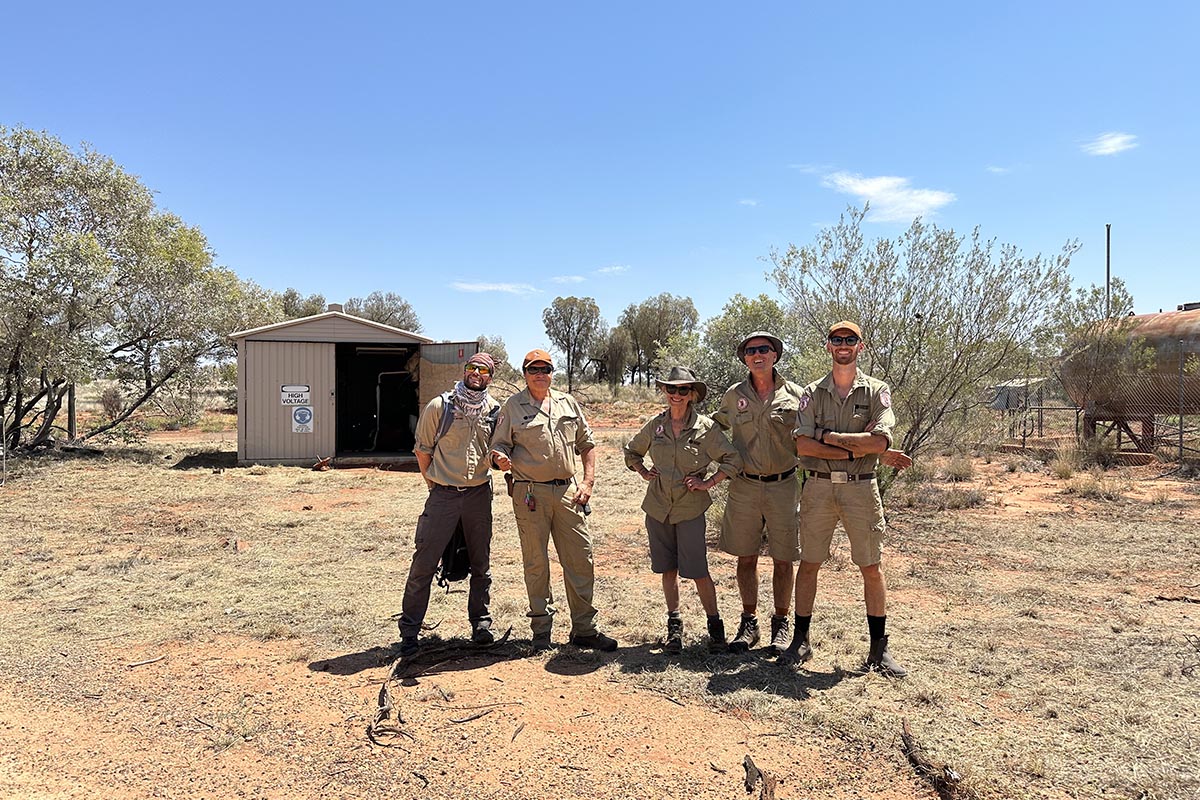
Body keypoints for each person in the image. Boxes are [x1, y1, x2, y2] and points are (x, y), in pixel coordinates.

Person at [784, 320, 909, 676]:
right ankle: (801, 640)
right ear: (828, 346)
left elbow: (881, 442)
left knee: (870, 566)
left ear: (860, 346)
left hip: (860, 488)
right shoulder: (812, 392)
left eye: (849, 340)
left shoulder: (876, 391)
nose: (843, 345)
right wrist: (855, 446)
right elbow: (803, 444)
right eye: (837, 340)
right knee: (809, 563)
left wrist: (830, 437)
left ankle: (878, 651)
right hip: (818, 486)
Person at [490, 350, 618, 653]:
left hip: (568, 493)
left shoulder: (567, 403)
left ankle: (585, 629)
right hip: (529, 493)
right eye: (533, 369)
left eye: (545, 368)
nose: (539, 374)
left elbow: (587, 445)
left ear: (552, 372)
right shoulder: (513, 406)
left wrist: (587, 482)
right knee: (536, 563)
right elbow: (498, 445)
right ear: (524, 373)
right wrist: (499, 458)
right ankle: (541, 632)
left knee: (581, 559)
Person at [623, 366, 742, 653]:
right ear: (665, 391)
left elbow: (733, 459)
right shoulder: (656, 426)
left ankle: (715, 628)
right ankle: (674, 628)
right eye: (671, 389)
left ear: (692, 395)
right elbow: (631, 451)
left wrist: (709, 481)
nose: (676, 395)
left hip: (690, 509)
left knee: (698, 570)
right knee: (668, 569)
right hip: (658, 507)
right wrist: (641, 470)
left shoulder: (705, 428)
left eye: (683, 390)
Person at [398, 352, 501, 657]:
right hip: (443, 494)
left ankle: (480, 623)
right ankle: (410, 632)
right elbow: (422, 451)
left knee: (481, 563)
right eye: (472, 367)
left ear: (490, 377)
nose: (476, 373)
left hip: (479, 495)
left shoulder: (494, 411)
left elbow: (495, 451)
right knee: (424, 564)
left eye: (484, 370)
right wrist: (435, 486)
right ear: (464, 371)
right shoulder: (440, 407)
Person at [713, 332, 807, 653]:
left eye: (764, 349)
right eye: (751, 351)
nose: (757, 355)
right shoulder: (733, 395)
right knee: (746, 556)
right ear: (744, 358)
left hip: (784, 485)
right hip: (745, 485)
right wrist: (723, 460)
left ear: (775, 355)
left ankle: (781, 624)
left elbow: (810, 434)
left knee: (783, 558)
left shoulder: (796, 395)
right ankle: (748, 623)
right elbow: (716, 428)